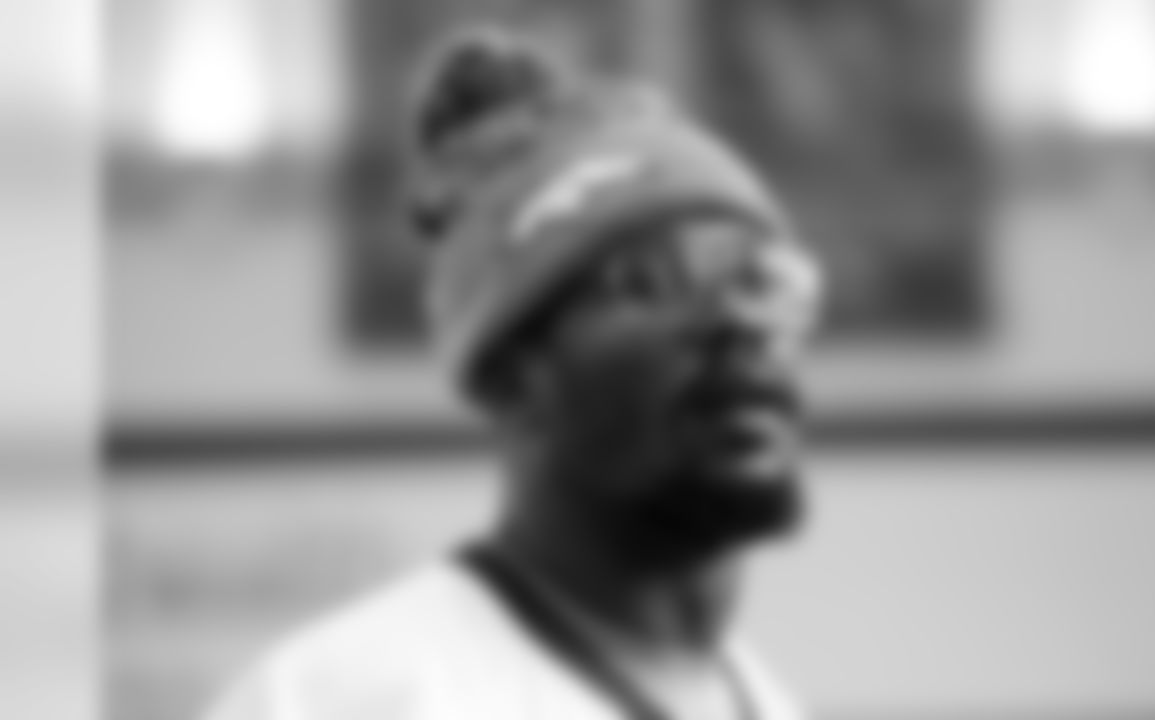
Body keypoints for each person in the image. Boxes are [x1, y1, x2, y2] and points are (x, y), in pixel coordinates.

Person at [204, 27, 824, 720]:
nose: (742, 320)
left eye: (760, 278)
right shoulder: (339, 700)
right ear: (512, 376)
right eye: (648, 281)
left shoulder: (770, 704)